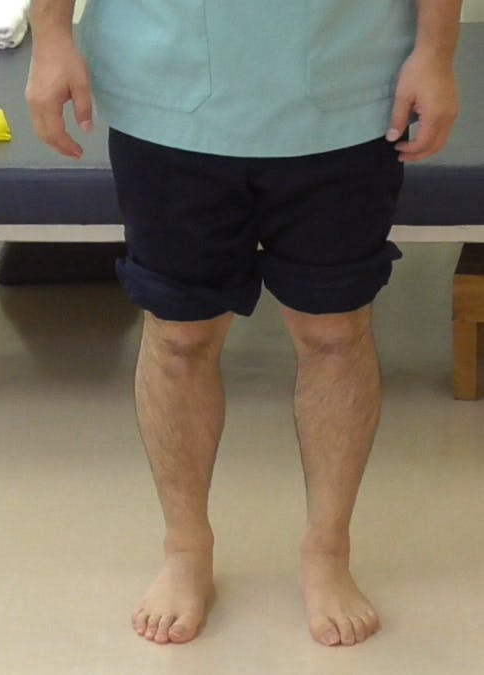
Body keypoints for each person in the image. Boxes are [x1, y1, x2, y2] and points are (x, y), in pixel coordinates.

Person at [26, 0, 461, 647]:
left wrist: (436, 52)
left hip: (347, 86)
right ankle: (185, 548)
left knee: (335, 333)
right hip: (165, 89)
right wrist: (51, 37)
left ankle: (328, 551)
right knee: (179, 335)